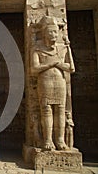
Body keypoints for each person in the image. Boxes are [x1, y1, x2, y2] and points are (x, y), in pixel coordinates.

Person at [31, 16, 75, 150]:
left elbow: (71, 67)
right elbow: (34, 69)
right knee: (46, 111)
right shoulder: (37, 49)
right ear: (44, 34)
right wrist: (50, 64)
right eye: (51, 32)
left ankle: (60, 140)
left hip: (60, 82)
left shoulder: (63, 48)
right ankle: (48, 140)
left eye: (56, 32)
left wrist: (59, 64)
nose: (54, 35)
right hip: (45, 82)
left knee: (61, 110)